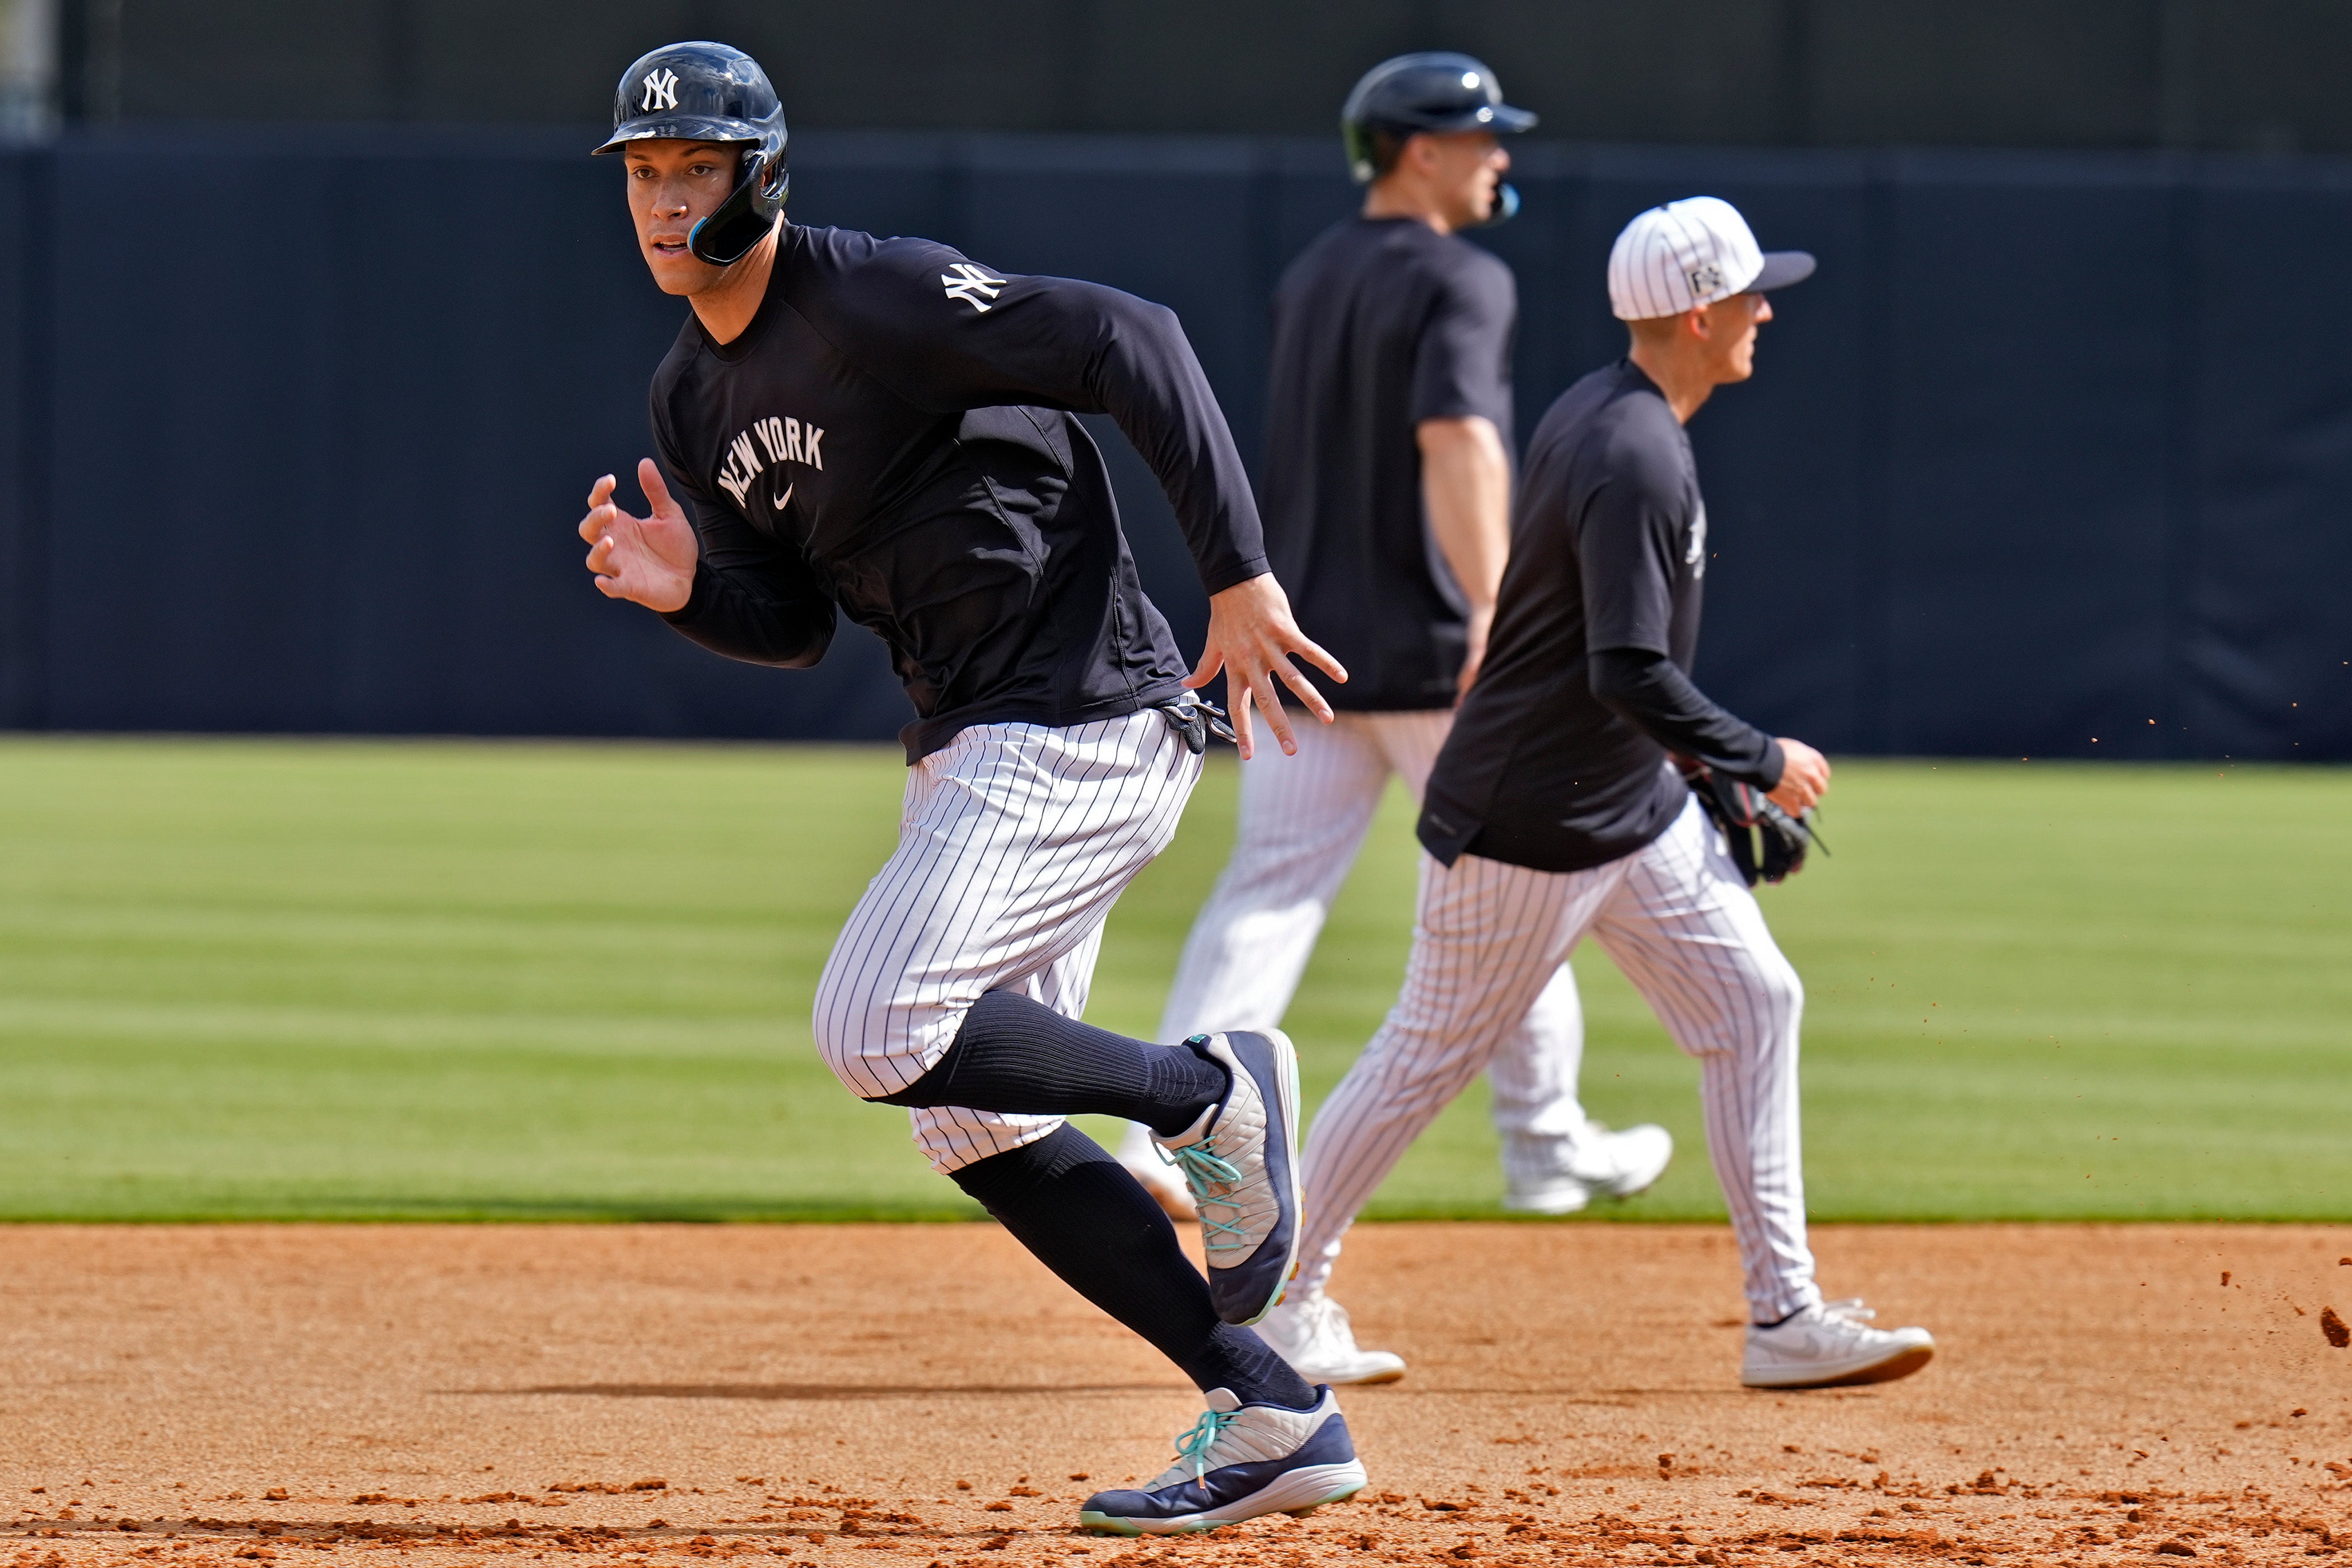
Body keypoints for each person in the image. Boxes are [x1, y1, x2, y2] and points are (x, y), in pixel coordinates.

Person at [573, 41, 1371, 1532]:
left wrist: (1241, 576)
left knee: (872, 1022)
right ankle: (1271, 1407)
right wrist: (685, 592)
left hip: (1079, 720)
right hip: (970, 747)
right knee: (971, 1116)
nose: (667, 202)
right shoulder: (693, 396)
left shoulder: (867, 295)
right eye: (642, 174)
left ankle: (1212, 1092)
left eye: (696, 168)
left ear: (761, 172)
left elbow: (1132, 337)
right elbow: (796, 624)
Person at [1275, 197, 1938, 1390]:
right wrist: (1751, 752)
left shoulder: (1618, 412)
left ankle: (1783, 1313)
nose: (1766, 311)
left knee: (1754, 1002)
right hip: (1529, 821)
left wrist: (1683, 759)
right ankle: (1280, 1299)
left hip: (1624, 804)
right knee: (1423, 1055)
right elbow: (1623, 666)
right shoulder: (1630, 448)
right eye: (1749, 294)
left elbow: (1598, 651)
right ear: (1698, 312)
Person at [1113, 55, 1673, 1388]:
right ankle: (1543, 1138)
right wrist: (1496, 613)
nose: (1500, 158)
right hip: (1429, 643)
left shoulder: (1315, 270)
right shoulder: (1460, 276)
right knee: (1526, 869)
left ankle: (1167, 1134)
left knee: (1270, 888)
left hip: (1310, 640)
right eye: (1482, 136)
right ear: (1416, 149)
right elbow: (1459, 442)